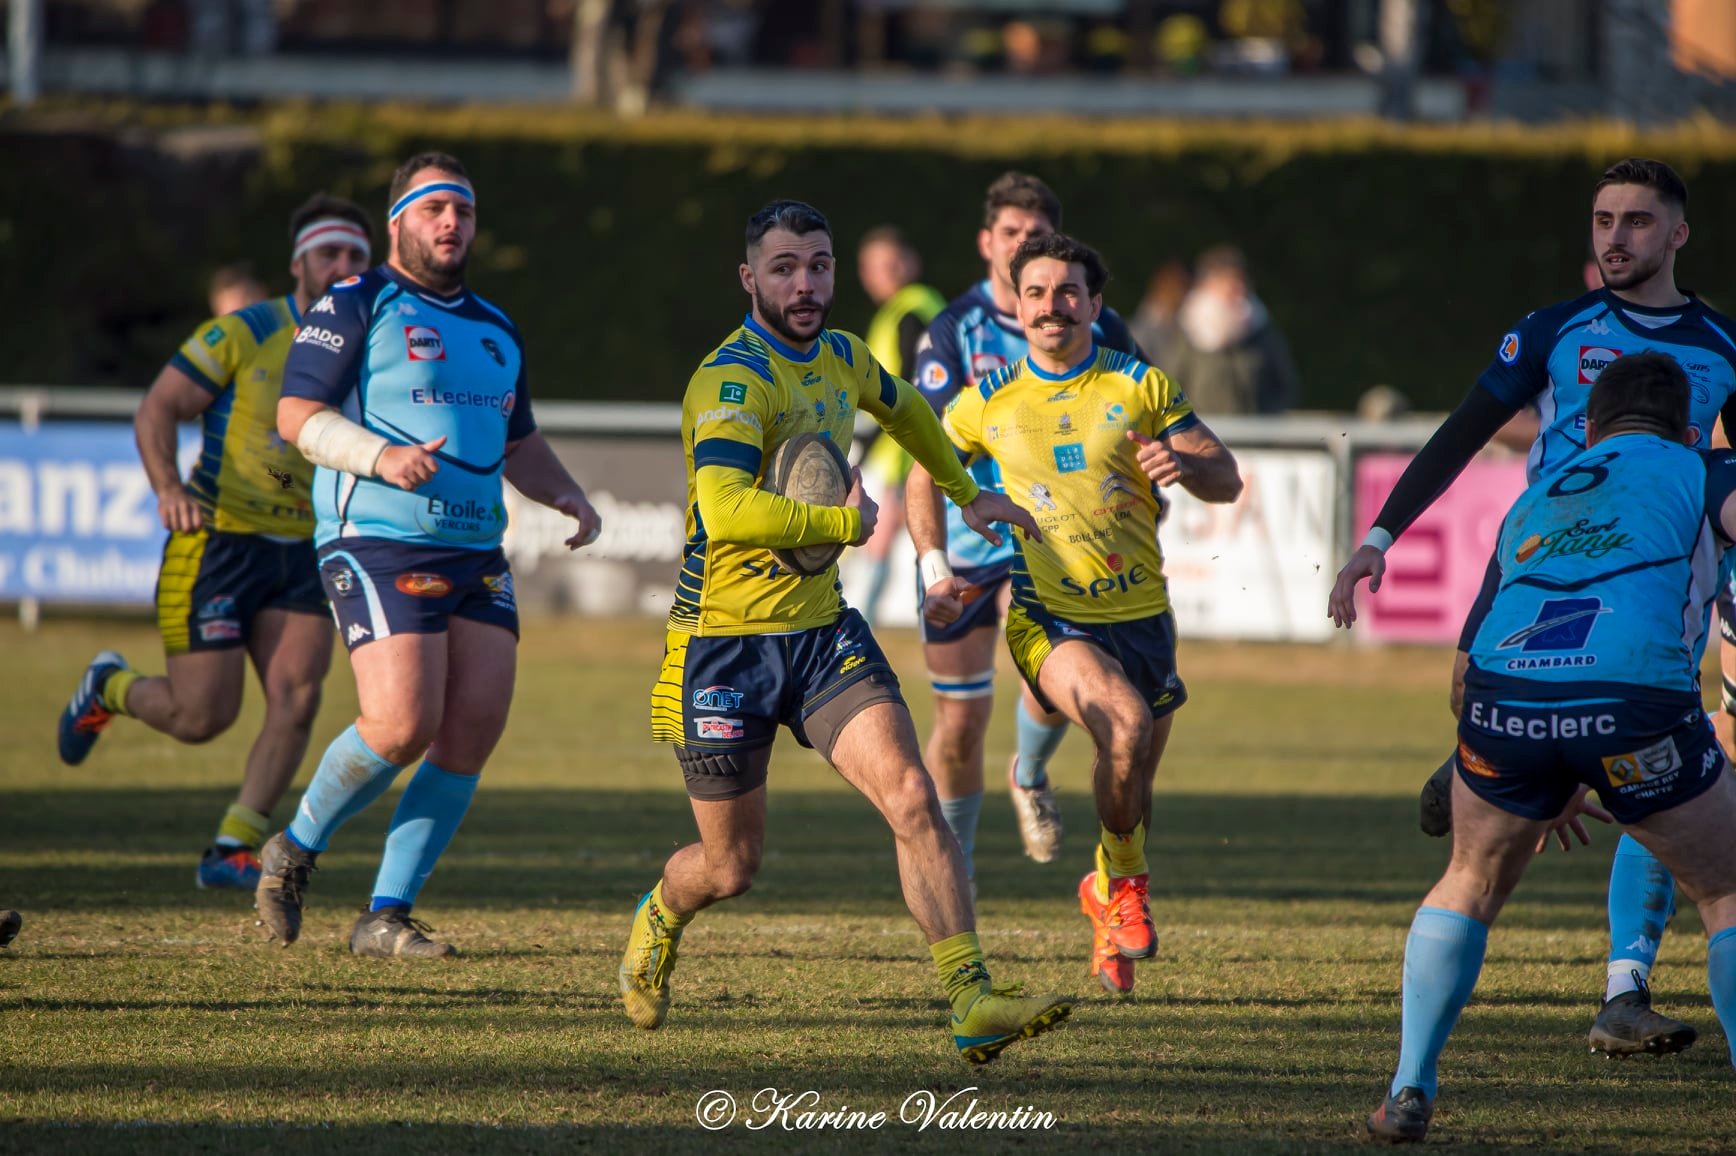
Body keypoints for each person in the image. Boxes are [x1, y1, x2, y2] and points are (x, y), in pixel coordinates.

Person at [623, 199, 1071, 1064]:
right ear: (749, 277)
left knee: (912, 795)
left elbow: (907, 413)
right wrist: (839, 523)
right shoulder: (732, 381)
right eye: (785, 267)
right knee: (730, 869)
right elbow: (723, 509)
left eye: (820, 265)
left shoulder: (843, 356)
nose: (806, 284)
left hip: (822, 633)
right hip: (723, 647)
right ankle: (660, 912)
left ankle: (972, 999)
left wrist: (964, 487)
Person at [1329, 158, 1736, 1057]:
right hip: (1537, 565)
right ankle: (1530, 770)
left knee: (1656, 777)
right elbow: (1459, 434)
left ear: (1678, 234)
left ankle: (1614, 975)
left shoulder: (1723, 345)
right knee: (1620, 751)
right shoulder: (1556, 330)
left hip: (1653, 582)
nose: (1614, 238)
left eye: (1635, 221)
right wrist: (1381, 538)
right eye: (1602, 221)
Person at [1359, 352, 1736, 1143]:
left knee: (1469, 881)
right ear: (1688, 425)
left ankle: (1407, 1088)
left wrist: (1548, 760)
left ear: (1590, 425)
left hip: (1508, 706)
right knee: (1727, 890)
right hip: (1633, 706)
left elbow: (1489, 629)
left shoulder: (1538, 495)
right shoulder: (1704, 469)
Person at [256, 152, 601, 959]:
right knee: (402, 721)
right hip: (378, 537)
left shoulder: (496, 327)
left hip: (475, 548)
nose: (451, 224)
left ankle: (386, 915)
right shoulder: (356, 300)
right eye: (434, 208)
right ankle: (294, 848)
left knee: (470, 731)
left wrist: (570, 496)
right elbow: (296, 415)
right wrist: (379, 457)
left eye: (464, 212)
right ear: (399, 222)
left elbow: (518, 439)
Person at [932, 233, 1241, 994]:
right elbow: (924, 464)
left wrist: (1187, 465)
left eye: (1067, 293)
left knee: (1129, 781)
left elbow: (1227, 478)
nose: (1051, 307)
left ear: (1094, 306)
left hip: (1142, 618)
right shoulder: (990, 398)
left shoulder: (1140, 385)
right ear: (1017, 303)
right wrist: (948, 537)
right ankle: (1127, 887)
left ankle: (1106, 892)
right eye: (1035, 293)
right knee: (1126, 724)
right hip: (1048, 617)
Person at [56, 194, 373, 890]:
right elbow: (158, 407)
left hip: (305, 547)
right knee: (203, 716)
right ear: (299, 264)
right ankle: (108, 685)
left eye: (357, 255)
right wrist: (169, 488)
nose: (343, 266)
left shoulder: (377, 339)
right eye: (330, 253)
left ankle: (233, 845)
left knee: (297, 697)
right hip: (218, 538)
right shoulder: (247, 329)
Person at [904, 172, 1145, 883]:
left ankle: (1029, 772)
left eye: (1036, 239)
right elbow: (934, 444)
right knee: (957, 727)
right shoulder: (953, 331)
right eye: (1011, 235)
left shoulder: (1099, 324)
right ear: (988, 243)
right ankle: (960, 867)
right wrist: (938, 555)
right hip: (970, 541)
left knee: (1049, 668)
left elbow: (1145, 404)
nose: (1022, 250)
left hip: (1055, 543)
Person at [854, 226, 945, 626]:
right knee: (907, 535)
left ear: (909, 263)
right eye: (873, 267)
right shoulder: (900, 309)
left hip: (906, 444)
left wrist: (873, 440)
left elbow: (907, 380)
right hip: (907, 441)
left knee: (883, 535)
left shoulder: (912, 308)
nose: (881, 274)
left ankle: (861, 624)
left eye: (889, 264)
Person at [1166, 245, 1299, 416]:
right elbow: (1170, 389)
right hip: (1202, 437)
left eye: (1239, 280)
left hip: (1255, 437)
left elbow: (1285, 387)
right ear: (1206, 285)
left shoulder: (1262, 330)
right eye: (1226, 281)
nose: (1235, 289)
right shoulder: (1186, 332)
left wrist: (1266, 421)